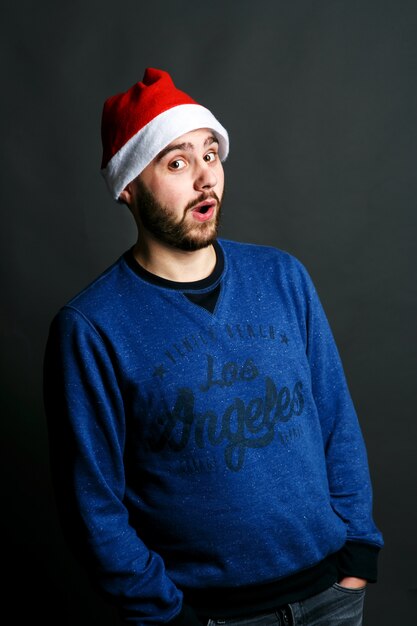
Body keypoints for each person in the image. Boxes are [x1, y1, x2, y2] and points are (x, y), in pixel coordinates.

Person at [43, 68, 383, 626]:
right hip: (213, 618)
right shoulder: (92, 327)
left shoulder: (283, 277)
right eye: (176, 162)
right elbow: (93, 507)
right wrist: (168, 616)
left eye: (210, 155)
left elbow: (336, 422)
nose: (206, 179)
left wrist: (357, 556)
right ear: (128, 187)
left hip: (332, 597)